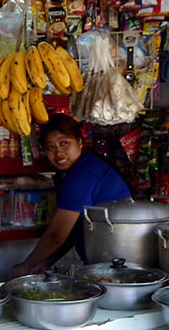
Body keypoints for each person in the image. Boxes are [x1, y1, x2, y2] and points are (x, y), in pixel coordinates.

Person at [11, 113, 131, 278]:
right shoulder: (84, 166)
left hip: (112, 267)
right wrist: (46, 261)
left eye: (64, 143)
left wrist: (25, 267)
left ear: (79, 142)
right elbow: (71, 232)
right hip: (108, 263)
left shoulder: (82, 175)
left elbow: (56, 235)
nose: (59, 153)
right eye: (50, 147)